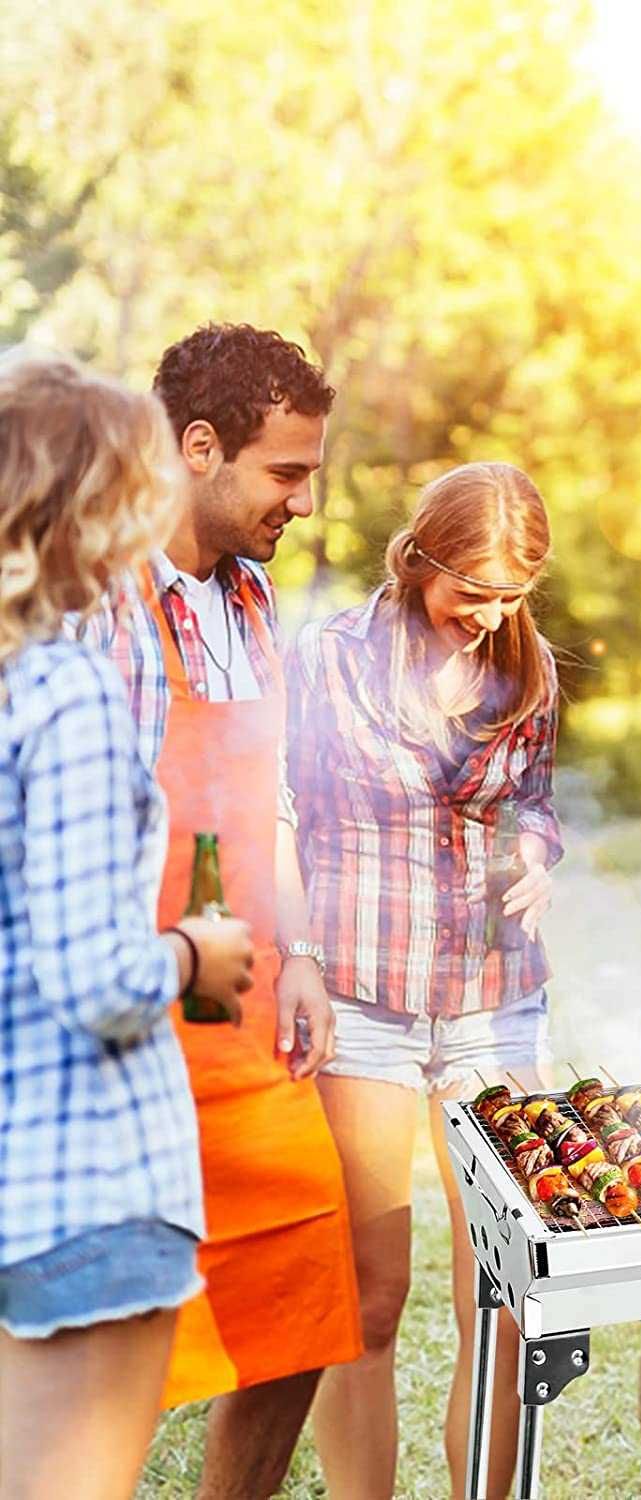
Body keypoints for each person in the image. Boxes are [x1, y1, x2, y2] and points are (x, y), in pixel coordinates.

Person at [82, 323, 363, 1498]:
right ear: (199, 448)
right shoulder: (96, 597)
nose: (302, 500)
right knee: (108, 1333)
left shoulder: (253, 604)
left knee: (307, 1281)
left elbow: (276, 800)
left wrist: (297, 949)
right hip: (133, 1012)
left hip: (246, 1013)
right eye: (285, 473)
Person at [0, 350, 254, 1500]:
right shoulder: (67, 696)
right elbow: (95, 980)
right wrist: (197, 953)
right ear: (100, 510)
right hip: (92, 1186)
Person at [286, 461, 561, 1500]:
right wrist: (296, 953)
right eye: (472, 592)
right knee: (370, 1293)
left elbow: (533, 801)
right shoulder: (328, 661)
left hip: (496, 1005)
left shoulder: (525, 669)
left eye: (510, 597)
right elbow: (286, 814)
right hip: (364, 999)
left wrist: (537, 855)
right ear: (418, 559)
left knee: (499, 1293)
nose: (488, 618)